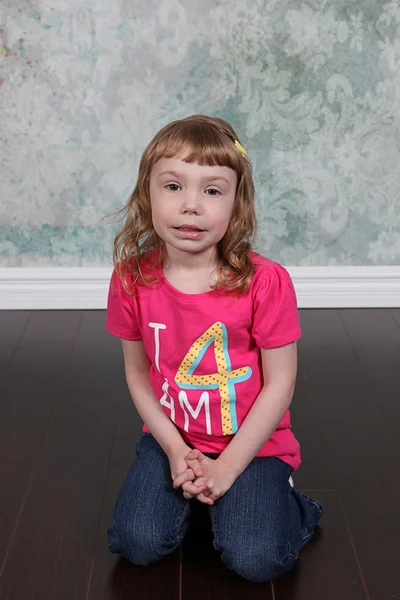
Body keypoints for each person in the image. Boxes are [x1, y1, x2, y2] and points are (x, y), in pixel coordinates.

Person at [105, 114, 323, 583]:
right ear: (147, 192)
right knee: (135, 543)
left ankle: (289, 506)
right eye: (173, 186)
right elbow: (137, 374)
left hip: (253, 447)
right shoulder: (131, 278)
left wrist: (227, 468)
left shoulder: (265, 282)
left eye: (211, 190)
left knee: (256, 561)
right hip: (174, 438)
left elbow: (280, 383)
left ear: (235, 202)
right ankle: (204, 497)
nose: (190, 206)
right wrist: (172, 448)